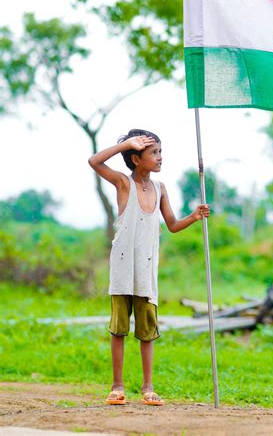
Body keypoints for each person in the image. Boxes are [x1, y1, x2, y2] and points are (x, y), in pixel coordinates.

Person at [88, 128, 210, 406]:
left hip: (146, 269)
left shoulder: (160, 188)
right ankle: (117, 386)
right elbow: (94, 162)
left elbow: (173, 225)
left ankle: (147, 387)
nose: (159, 157)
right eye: (153, 153)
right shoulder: (122, 183)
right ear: (135, 158)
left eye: (160, 152)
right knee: (119, 329)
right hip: (121, 268)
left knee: (147, 330)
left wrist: (194, 216)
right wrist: (124, 145)